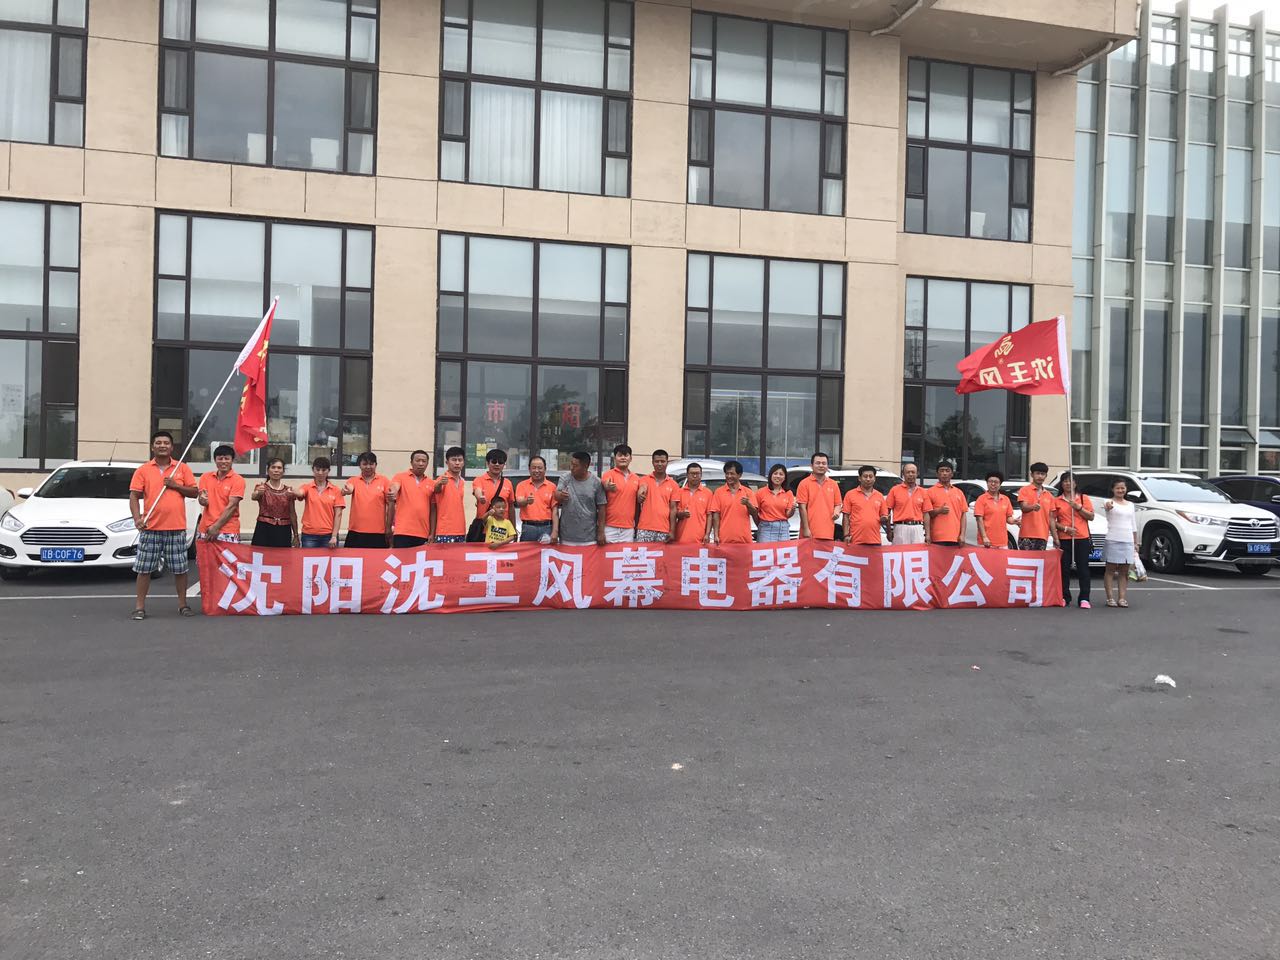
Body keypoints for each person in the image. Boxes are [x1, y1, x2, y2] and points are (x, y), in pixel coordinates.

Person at [129, 430, 198, 620]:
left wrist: (176, 485)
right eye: (158, 443)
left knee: (180, 569)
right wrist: (137, 518)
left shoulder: (182, 468)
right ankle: (139, 607)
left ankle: (183, 604)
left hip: (176, 528)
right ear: (152, 447)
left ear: (172, 447)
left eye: (166, 443)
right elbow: (134, 496)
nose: (162, 446)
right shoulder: (143, 470)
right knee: (144, 569)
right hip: (151, 528)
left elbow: (194, 492)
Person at [1054, 471, 1095, 608]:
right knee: (1064, 569)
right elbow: (1052, 521)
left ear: (1075, 483)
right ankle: (1064, 596)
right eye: (1065, 481)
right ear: (1061, 484)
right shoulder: (1057, 500)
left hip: (1082, 537)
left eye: (1070, 481)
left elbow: (1091, 517)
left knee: (1083, 569)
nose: (1068, 483)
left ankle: (1084, 598)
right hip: (1064, 538)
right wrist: (1065, 528)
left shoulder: (1083, 498)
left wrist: (1078, 508)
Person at [552, 451, 607, 546]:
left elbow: (602, 508)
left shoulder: (596, 482)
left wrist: (601, 532)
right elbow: (556, 495)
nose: (571, 468)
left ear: (585, 466)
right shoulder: (565, 478)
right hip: (567, 536)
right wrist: (561, 495)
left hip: (589, 537)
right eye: (571, 464)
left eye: (575, 465)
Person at [342, 451, 392, 548]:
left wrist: (389, 527)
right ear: (359, 465)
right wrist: (347, 490)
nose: (368, 467)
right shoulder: (353, 480)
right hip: (355, 531)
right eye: (365, 464)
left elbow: (391, 504)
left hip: (378, 532)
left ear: (376, 465)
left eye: (371, 464)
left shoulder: (384, 481)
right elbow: (347, 489)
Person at [196, 444, 244, 544]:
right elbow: (203, 501)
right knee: (204, 555)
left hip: (228, 530)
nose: (223, 461)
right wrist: (202, 500)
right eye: (220, 458)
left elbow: (232, 506)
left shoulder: (238, 480)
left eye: (227, 458)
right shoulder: (205, 477)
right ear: (215, 460)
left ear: (232, 460)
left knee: (228, 555)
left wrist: (216, 527)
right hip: (205, 528)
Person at [1102, 477, 1139, 608]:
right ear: (1113, 489)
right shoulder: (1108, 501)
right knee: (1110, 570)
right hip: (1113, 539)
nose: (1120, 490)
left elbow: (1133, 524)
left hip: (1128, 540)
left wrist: (1135, 542)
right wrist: (1109, 506)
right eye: (1117, 488)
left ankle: (1122, 598)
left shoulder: (1130, 505)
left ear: (1126, 489)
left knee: (1124, 571)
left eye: (1123, 488)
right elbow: (1107, 507)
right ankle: (1110, 598)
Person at [295, 456, 345, 549]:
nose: (320, 473)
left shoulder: (336, 490)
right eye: (317, 470)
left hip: (329, 535)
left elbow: (338, 514)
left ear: (328, 471)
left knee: (329, 559)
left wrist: (334, 536)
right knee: (308, 558)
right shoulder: (307, 487)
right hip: (309, 535)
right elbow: (300, 493)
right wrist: (292, 491)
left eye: (324, 470)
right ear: (313, 470)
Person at [389, 449, 433, 548]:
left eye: (424, 461)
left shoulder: (431, 483)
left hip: (423, 533)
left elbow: (433, 510)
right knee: (401, 558)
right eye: (417, 460)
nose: (421, 464)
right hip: (402, 532)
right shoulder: (400, 477)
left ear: (427, 464)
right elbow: (395, 486)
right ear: (411, 462)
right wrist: (393, 492)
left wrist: (432, 532)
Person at [251, 458, 298, 548]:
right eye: (273, 467)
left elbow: (292, 513)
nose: (276, 470)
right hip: (264, 528)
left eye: (279, 468)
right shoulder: (261, 487)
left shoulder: (288, 491)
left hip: (283, 530)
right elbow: (254, 496)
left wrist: (296, 535)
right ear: (268, 470)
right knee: (260, 554)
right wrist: (258, 493)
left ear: (283, 471)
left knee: (282, 556)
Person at [635, 449, 680, 543]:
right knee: (642, 553)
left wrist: (672, 531)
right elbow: (642, 488)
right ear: (652, 462)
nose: (659, 464)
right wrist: (640, 495)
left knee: (662, 554)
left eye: (662, 461)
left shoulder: (674, 484)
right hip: (644, 529)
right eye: (657, 461)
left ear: (667, 462)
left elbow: (673, 509)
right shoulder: (644, 479)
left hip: (664, 530)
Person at [796, 451, 841, 540]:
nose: (821, 465)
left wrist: (836, 512)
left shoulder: (833, 484)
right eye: (818, 463)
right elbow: (802, 508)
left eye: (824, 463)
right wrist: (806, 529)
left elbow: (838, 504)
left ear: (827, 466)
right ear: (811, 466)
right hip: (809, 533)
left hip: (828, 533)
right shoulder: (804, 483)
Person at [601, 443, 640, 542]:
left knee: (626, 552)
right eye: (620, 455)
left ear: (631, 458)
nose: (623, 458)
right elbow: (605, 483)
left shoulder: (636, 478)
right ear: (615, 458)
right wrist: (607, 486)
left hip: (628, 528)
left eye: (626, 455)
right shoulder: (608, 474)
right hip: (610, 526)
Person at [429, 446, 468, 544]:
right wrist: (440, 483)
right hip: (444, 531)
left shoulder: (462, 481)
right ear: (447, 462)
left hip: (461, 530)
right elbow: (436, 489)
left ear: (463, 462)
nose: (457, 463)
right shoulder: (442, 479)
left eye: (460, 460)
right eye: (454, 460)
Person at [883, 462, 928, 545]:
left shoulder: (923, 492)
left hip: (917, 528)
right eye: (908, 472)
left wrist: (928, 534)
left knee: (917, 552)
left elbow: (926, 514)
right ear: (903, 474)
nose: (910, 474)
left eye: (913, 472)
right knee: (899, 552)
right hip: (900, 527)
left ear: (917, 474)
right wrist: (889, 531)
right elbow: (887, 511)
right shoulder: (895, 490)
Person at [709, 460, 753, 544]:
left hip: (744, 540)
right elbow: (716, 515)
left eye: (732, 474)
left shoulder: (748, 492)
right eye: (727, 473)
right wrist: (716, 535)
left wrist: (748, 504)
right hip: (724, 540)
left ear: (739, 475)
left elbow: (754, 513)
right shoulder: (718, 492)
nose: (729, 476)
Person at [924, 460, 967, 546]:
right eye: (942, 471)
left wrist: (962, 534)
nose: (944, 473)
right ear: (937, 474)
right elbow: (927, 514)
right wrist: (939, 510)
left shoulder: (959, 492)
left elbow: (963, 515)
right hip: (937, 537)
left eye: (947, 471)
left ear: (952, 474)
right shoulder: (929, 492)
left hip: (956, 537)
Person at [1016, 461, 1057, 551]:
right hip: (1026, 535)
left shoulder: (1049, 495)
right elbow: (1023, 508)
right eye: (1037, 473)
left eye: (1043, 474)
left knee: (1039, 560)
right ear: (1032, 475)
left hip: (1043, 535)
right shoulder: (1024, 490)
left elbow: (1051, 519)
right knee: (1026, 559)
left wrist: (1055, 538)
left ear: (1046, 476)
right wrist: (1032, 507)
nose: (1040, 476)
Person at [515, 455, 556, 543]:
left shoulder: (552, 487)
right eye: (534, 468)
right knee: (526, 551)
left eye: (540, 468)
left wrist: (555, 531)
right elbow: (519, 502)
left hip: (547, 527)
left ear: (545, 469)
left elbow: (555, 510)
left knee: (546, 552)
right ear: (529, 469)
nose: (537, 471)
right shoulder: (521, 485)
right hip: (528, 528)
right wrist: (526, 501)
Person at [750, 464, 795, 542]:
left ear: (785, 477)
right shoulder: (761, 492)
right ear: (770, 475)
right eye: (775, 473)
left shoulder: (788, 493)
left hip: (783, 529)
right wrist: (760, 525)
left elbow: (788, 514)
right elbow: (754, 512)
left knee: (784, 550)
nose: (778, 476)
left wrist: (793, 509)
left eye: (781, 474)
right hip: (766, 529)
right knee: (765, 550)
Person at [842, 465, 886, 547]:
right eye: (865, 476)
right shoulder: (850, 494)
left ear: (874, 478)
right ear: (859, 478)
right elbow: (846, 516)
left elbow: (884, 516)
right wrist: (846, 535)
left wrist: (884, 519)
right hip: (855, 539)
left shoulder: (879, 496)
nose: (868, 479)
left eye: (871, 476)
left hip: (875, 540)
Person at [671, 462, 713, 544]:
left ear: (701, 475)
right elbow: (673, 513)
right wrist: (681, 514)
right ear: (687, 475)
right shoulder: (679, 492)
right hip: (681, 539)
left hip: (700, 540)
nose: (695, 476)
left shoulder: (708, 493)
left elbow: (709, 516)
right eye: (692, 473)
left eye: (697, 473)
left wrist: (707, 534)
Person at [973, 470, 1015, 549]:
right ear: (987, 483)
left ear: (1000, 484)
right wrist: (984, 537)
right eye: (990, 481)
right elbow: (979, 520)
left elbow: (1009, 518)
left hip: (1002, 542)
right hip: (986, 542)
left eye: (996, 482)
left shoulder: (1005, 499)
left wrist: (1015, 521)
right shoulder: (981, 499)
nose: (993, 484)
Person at [472, 448, 515, 521]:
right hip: (484, 526)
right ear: (487, 463)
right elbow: (477, 491)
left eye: (500, 462)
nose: (497, 464)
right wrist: (480, 497)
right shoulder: (479, 480)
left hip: (502, 527)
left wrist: (513, 527)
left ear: (504, 465)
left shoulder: (508, 483)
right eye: (494, 462)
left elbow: (511, 506)